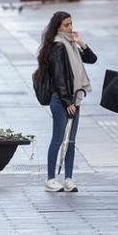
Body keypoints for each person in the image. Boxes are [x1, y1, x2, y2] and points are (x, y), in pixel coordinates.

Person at [37, 11, 97, 192]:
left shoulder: (70, 44)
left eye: (71, 24)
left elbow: (92, 59)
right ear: (57, 27)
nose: (70, 28)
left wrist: (80, 42)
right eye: (66, 25)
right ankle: (50, 179)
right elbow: (59, 77)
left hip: (74, 98)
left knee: (71, 141)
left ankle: (69, 178)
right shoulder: (58, 46)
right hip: (62, 100)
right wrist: (67, 102)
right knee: (58, 139)